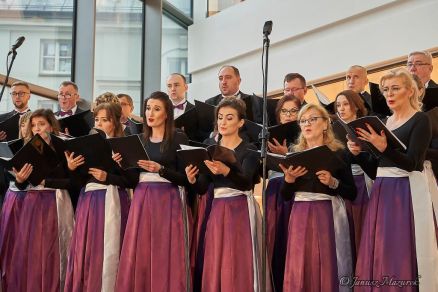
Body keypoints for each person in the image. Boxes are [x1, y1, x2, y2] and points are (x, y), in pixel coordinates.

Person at [348, 68, 438, 291]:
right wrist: (359, 153)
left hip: (405, 191)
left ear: (410, 91)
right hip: (382, 189)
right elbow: (377, 167)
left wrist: (383, 147)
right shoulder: (385, 122)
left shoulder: (421, 120)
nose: (390, 93)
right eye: (386, 89)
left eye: (395, 88)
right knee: (382, 246)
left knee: (401, 245)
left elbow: (413, 163)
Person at [185, 97, 267, 291]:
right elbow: (204, 187)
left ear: (240, 122)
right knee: (217, 257)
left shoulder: (249, 149)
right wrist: (192, 180)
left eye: (229, 118)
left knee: (239, 257)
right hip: (218, 208)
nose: (223, 122)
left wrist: (226, 171)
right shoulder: (210, 150)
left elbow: (246, 182)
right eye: (220, 117)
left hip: (241, 208)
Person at [115, 91, 192, 292]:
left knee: (165, 250)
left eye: (156, 109)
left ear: (167, 114)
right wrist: (122, 165)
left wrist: (161, 170)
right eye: (148, 108)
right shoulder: (138, 138)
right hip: (141, 197)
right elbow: (132, 181)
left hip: (168, 199)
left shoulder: (178, 138)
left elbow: (186, 179)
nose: (150, 113)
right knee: (140, 249)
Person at [280, 103, 356, 292]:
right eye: (303, 121)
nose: (307, 124)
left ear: (325, 124)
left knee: (326, 261)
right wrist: (288, 180)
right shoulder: (294, 154)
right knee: (301, 264)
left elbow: (352, 192)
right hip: (300, 215)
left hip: (327, 214)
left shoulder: (339, 153)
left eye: (313, 119)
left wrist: (333, 182)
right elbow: (285, 196)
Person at [64, 102, 135, 292]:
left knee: (108, 250)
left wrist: (108, 176)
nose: (100, 124)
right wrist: (72, 168)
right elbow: (79, 182)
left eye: (105, 120)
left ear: (115, 122)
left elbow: (132, 181)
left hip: (112, 201)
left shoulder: (122, 145)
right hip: (88, 201)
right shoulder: (89, 143)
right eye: (97, 120)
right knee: (87, 250)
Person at [6, 109, 75, 291]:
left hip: (56, 201)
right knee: (32, 250)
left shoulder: (62, 147)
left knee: (53, 251)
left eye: (41, 124)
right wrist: (20, 180)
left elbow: (72, 182)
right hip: (32, 203)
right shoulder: (26, 148)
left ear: (51, 126)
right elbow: (22, 184)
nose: (37, 128)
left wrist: (47, 180)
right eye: (34, 125)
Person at [265, 95, 301, 291]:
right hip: (273, 190)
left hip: (295, 190)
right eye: (284, 111)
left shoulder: (305, 134)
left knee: (292, 239)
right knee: (274, 237)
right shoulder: (271, 134)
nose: (288, 115)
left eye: (293, 111)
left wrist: (286, 153)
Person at [334, 90, 375, 254]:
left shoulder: (365, 129)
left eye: (345, 104)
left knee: (361, 228)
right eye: (338, 105)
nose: (341, 109)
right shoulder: (334, 131)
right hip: (342, 185)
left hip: (362, 183)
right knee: (345, 231)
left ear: (356, 107)